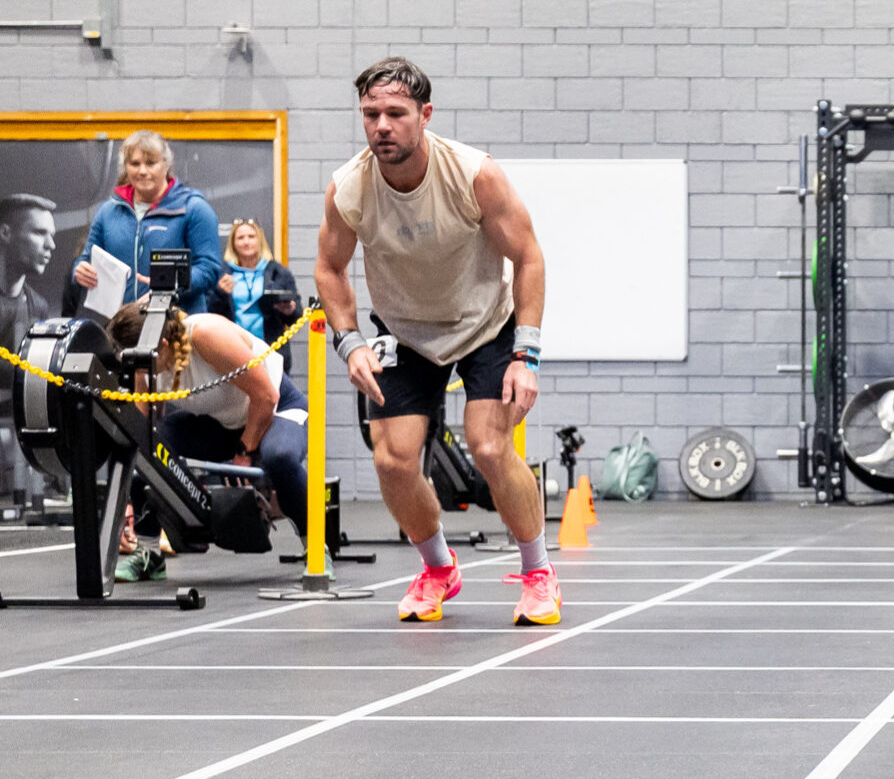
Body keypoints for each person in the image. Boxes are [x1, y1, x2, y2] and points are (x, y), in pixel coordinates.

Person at [314, 58, 557, 625]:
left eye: (395, 114)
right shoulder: (349, 187)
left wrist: (526, 354)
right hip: (403, 330)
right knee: (393, 460)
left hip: (484, 324)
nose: (381, 126)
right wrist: (349, 344)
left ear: (425, 115)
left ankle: (538, 572)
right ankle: (439, 569)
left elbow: (528, 256)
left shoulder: (473, 173)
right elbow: (329, 268)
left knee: (491, 448)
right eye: (371, 114)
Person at [102, 298, 308, 583]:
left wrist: (245, 453)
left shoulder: (205, 335)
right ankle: (148, 554)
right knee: (147, 453)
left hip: (277, 409)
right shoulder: (144, 365)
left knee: (280, 457)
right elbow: (140, 433)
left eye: (139, 360)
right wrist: (127, 496)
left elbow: (266, 397)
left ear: (162, 345)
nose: (136, 368)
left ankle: (316, 548)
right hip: (223, 424)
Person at [69, 130, 223, 316]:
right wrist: (80, 271)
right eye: (134, 164)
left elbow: (209, 270)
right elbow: (86, 259)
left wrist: (167, 286)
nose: (142, 171)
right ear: (126, 167)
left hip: (176, 328)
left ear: (166, 164)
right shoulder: (108, 211)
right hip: (123, 326)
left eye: (151, 163)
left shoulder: (193, 208)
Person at [208, 219, 303, 368]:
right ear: (233, 243)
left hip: (271, 351)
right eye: (240, 238)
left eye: (251, 236)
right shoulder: (222, 274)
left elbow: (297, 316)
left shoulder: (278, 272)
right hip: (232, 351)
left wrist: (289, 310)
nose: (246, 242)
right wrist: (220, 293)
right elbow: (209, 313)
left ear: (260, 240)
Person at [0, 193, 58, 351]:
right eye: (39, 233)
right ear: (5, 233)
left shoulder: (39, 307)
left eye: (51, 235)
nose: (50, 245)